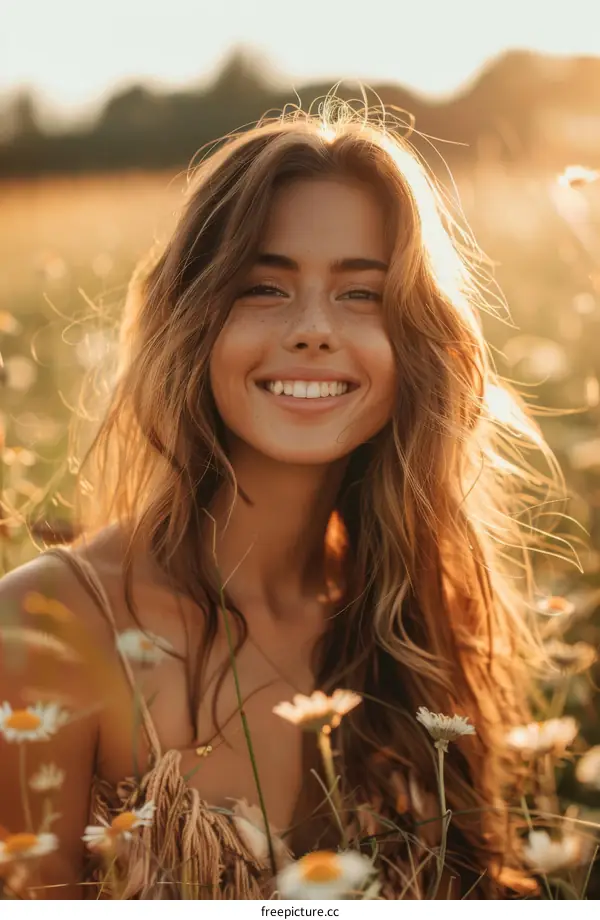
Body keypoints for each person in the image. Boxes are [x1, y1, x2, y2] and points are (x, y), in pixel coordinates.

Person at [0, 100, 561, 899]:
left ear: (417, 344)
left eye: (363, 295)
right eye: (264, 288)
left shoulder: (421, 618)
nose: (313, 330)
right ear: (191, 320)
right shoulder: (43, 633)